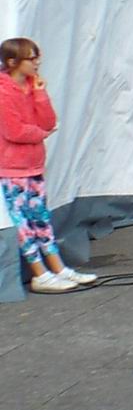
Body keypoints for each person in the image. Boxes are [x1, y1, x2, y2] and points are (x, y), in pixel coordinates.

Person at [0, 38, 95, 292]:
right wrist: (42, 133)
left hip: (33, 165)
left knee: (41, 218)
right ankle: (39, 273)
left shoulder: (32, 87)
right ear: (12, 62)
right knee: (24, 223)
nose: (36, 63)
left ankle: (58, 268)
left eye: (36, 57)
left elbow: (49, 120)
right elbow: (14, 131)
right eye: (31, 58)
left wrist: (40, 94)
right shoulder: (3, 91)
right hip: (11, 169)